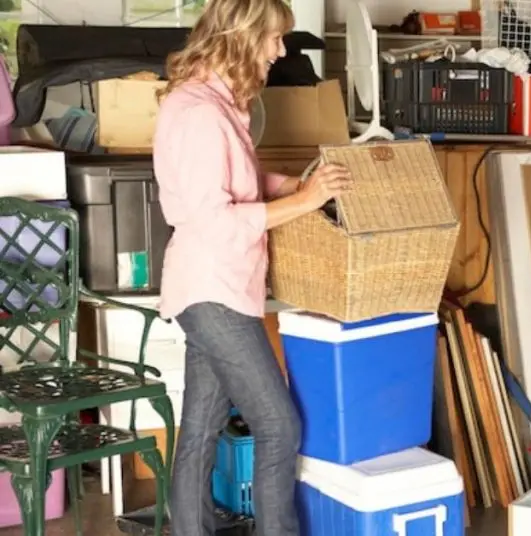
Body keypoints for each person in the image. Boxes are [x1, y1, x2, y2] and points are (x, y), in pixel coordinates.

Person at [151, 1, 351, 534]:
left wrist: (294, 185)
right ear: (244, 37)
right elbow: (214, 219)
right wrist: (306, 201)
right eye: (275, 38)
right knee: (278, 426)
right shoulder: (197, 113)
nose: (281, 50)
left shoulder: (217, 104)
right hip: (211, 289)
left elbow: (235, 180)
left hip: (221, 287)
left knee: (199, 430)